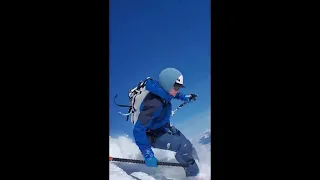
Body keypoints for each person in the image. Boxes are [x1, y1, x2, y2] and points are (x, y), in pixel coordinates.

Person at [133, 67, 199, 178]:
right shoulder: (154, 103)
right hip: (153, 134)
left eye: (179, 87)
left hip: (164, 127)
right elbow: (138, 129)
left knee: (188, 144)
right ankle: (195, 176)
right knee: (183, 145)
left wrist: (186, 97)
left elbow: (175, 94)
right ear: (168, 84)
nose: (178, 90)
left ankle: (197, 165)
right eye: (177, 86)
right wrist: (147, 154)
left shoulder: (165, 92)